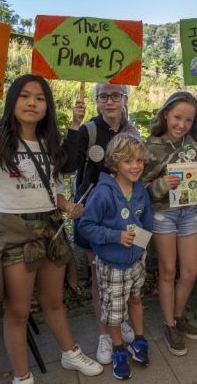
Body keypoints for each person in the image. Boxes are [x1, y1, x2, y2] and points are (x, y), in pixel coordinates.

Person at [0, 74, 102, 384]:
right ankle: (21, 376)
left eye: (39, 98)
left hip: (50, 231)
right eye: (25, 96)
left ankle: (69, 352)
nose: (32, 103)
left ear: (47, 107)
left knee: (53, 301)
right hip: (12, 234)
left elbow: (52, 189)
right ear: (12, 101)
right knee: (18, 311)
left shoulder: (49, 144)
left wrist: (67, 206)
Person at [62, 83, 137, 365]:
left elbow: (139, 170)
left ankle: (122, 321)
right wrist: (74, 124)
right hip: (92, 215)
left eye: (115, 95)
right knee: (100, 276)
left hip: (125, 214)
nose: (109, 101)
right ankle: (105, 333)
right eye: (103, 96)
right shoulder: (89, 131)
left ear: (124, 98)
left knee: (127, 270)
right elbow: (68, 166)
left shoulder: (131, 131)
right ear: (96, 100)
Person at [78, 133, 152, 380]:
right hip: (112, 265)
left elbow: (146, 223)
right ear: (115, 162)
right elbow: (85, 226)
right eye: (129, 161)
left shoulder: (140, 190)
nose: (136, 166)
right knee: (115, 313)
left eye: (140, 160)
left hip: (136, 262)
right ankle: (119, 350)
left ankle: (139, 341)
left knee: (136, 300)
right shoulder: (103, 192)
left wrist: (142, 249)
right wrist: (115, 236)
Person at [142, 91, 197, 356]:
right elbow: (136, 188)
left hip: (188, 211)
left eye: (188, 120)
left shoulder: (193, 143)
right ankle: (169, 325)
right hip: (162, 214)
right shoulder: (150, 147)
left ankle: (178, 316)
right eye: (178, 117)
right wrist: (160, 185)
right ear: (166, 114)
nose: (182, 124)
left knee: (190, 271)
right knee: (168, 272)